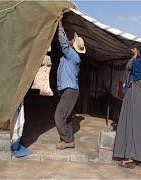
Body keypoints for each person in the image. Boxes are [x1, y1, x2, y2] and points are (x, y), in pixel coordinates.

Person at [113, 44, 141, 170]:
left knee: (131, 126)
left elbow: (128, 67)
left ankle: (129, 158)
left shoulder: (136, 64)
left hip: (135, 97)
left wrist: (135, 55)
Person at [54, 13, 86, 149]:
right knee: (65, 116)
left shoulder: (72, 55)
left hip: (70, 90)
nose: (71, 41)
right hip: (69, 90)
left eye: (73, 41)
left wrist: (60, 23)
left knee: (58, 116)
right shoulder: (71, 56)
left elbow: (63, 42)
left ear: (74, 45)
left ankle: (68, 141)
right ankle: (67, 139)